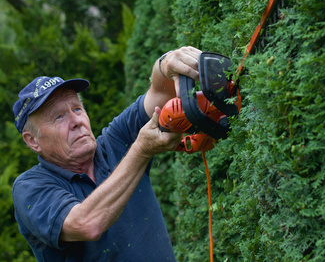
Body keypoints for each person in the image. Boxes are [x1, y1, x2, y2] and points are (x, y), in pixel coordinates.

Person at [12, 46, 202, 261]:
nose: (76, 121)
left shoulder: (116, 141)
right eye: (58, 117)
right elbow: (87, 224)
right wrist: (140, 150)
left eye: (77, 109)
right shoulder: (30, 187)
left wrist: (165, 64)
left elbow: (160, 92)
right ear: (32, 140)